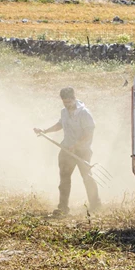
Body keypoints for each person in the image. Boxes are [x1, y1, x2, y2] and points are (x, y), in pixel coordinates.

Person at [34, 86, 101, 216]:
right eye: (64, 102)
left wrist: (76, 145)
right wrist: (45, 130)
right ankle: (63, 207)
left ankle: (95, 204)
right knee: (64, 178)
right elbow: (60, 124)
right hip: (66, 149)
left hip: (82, 151)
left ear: (73, 98)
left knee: (87, 177)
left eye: (69, 102)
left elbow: (89, 132)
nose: (67, 105)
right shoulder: (64, 112)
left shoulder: (84, 113)